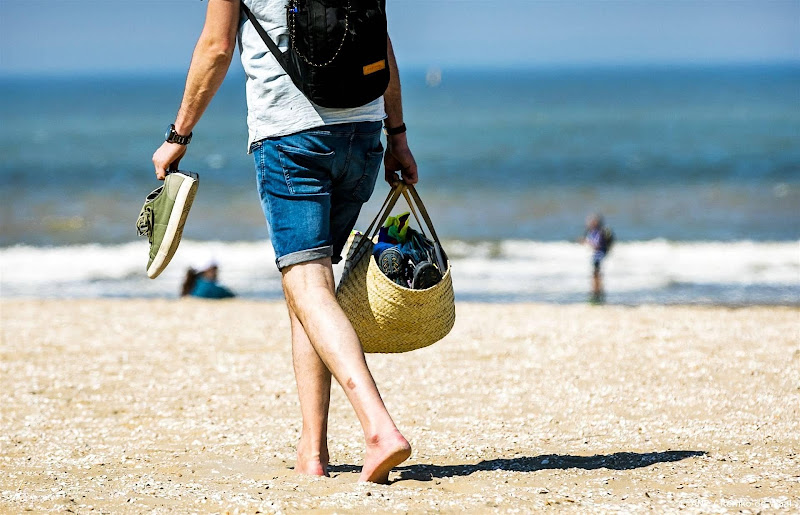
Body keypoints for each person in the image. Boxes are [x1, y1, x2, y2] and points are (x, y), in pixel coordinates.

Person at [151, 0, 417, 483]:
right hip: (362, 136)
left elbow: (215, 47)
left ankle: (379, 428)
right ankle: (312, 451)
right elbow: (382, 42)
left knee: (307, 286)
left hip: (292, 136)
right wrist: (397, 136)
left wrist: (179, 134)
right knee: (308, 290)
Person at [582, 214, 614, 303]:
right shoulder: (591, 232)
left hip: (599, 255)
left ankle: (597, 294)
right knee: (595, 275)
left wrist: (590, 244)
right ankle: (596, 294)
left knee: (596, 275)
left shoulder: (601, 232)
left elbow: (598, 244)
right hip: (596, 255)